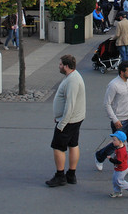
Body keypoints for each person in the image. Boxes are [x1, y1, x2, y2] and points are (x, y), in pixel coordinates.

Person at [93, 61, 128, 178]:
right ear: (122, 72)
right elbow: (107, 104)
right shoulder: (113, 85)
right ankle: (100, 156)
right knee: (117, 145)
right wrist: (115, 120)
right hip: (120, 121)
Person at [47, 54, 86, 187]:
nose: (59, 66)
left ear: (66, 66)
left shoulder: (72, 81)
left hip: (69, 121)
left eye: (60, 65)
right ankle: (71, 174)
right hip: (75, 118)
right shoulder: (72, 77)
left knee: (58, 147)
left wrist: (62, 123)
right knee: (73, 145)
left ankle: (60, 176)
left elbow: (70, 104)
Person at [104, 131, 128, 198]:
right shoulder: (119, 147)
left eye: (114, 140)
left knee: (119, 181)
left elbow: (119, 161)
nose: (112, 141)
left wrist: (110, 159)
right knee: (115, 180)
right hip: (118, 168)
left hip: (122, 169)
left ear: (120, 141)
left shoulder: (121, 151)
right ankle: (117, 192)